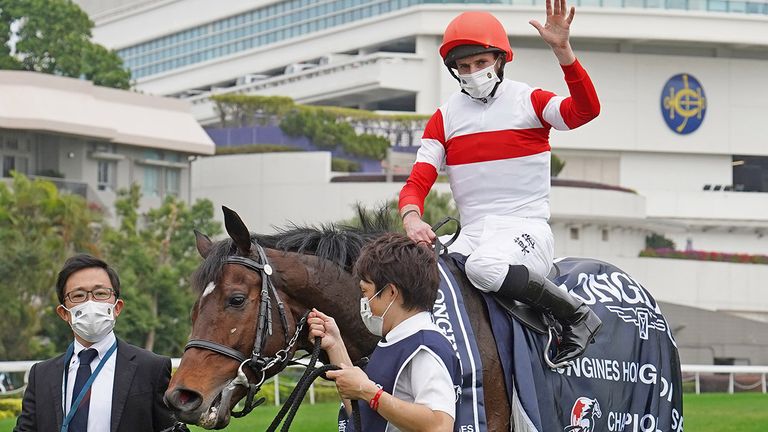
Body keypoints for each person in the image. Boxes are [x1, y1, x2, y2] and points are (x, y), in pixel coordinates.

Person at [399, 1, 601, 366]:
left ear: (500, 60)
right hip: (473, 234)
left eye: (481, 62)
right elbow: (418, 181)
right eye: (464, 66)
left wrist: (563, 51)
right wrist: (411, 217)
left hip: (526, 231)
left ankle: (576, 316)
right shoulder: (444, 118)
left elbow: (585, 111)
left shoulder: (530, 101)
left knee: (482, 267)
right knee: (415, 270)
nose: (473, 72)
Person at [308, 233, 461, 432]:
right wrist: (334, 344)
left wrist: (368, 392)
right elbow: (365, 414)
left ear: (390, 292)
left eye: (365, 292)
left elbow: (439, 425)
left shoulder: (424, 347)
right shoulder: (397, 340)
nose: (364, 301)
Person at [15, 254, 175, 432]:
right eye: (78, 295)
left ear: (117, 307)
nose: (90, 302)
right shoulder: (41, 376)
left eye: (100, 293)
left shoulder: (151, 368)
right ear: (64, 313)